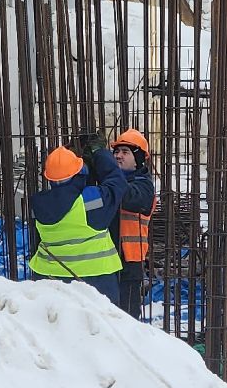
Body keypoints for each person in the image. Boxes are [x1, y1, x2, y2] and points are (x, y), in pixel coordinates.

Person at [26, 139, 125, 299]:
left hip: (48, 279)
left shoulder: (38, 205)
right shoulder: (89, 201)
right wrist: (101, 154)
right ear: (80, 173)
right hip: (96, 280)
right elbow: (117, 183)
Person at [108, 128, 157, 318]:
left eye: (125, 152)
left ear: (138, 158)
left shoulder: (144, 186)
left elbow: (125, 195)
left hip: (130, 262)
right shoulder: (111, 180)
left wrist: (106, 168)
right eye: (116, 151)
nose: (118, 156)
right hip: (107, 258)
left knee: (127, 317)